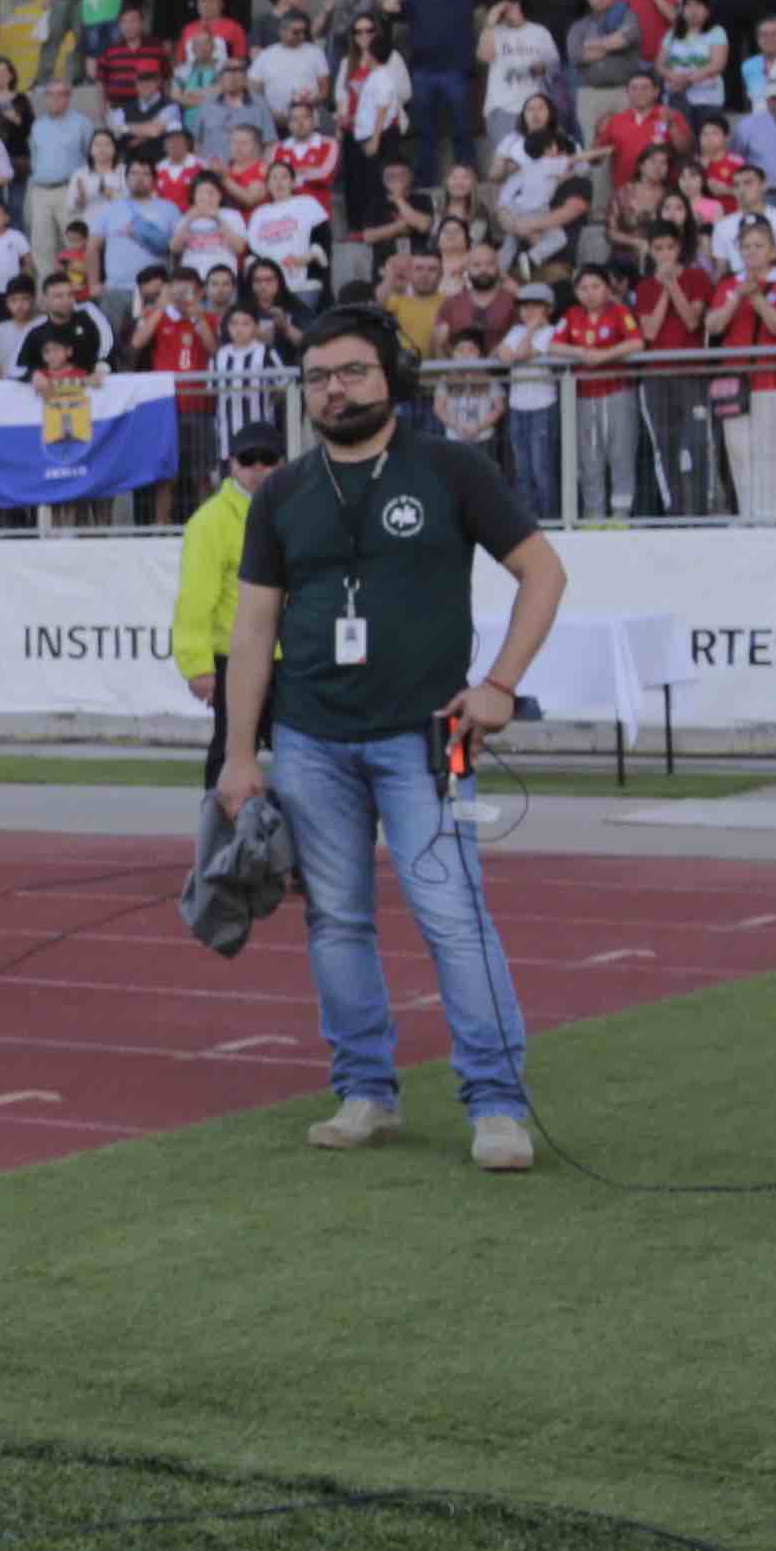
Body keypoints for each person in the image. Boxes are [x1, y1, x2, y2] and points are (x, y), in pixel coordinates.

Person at [212, 308, 563, 1172]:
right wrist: (239, 752)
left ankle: (498, 1106)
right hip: (309, 741)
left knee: (453, 914)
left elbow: (542, 573)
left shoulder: (450, 467)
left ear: (390, 377)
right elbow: (254, 631)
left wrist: (499, 687)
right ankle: (366, 1091)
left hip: (428, 740)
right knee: (336, 922)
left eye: (353, 371)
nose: (336, 388)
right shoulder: (285, 492)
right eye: (320, 376)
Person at [171, 429, 283, 780]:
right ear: (232, 464)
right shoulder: (210, 521)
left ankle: (300, 832)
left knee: (304, 760)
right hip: (234, 657)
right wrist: (198, 666)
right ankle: (218, 830)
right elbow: (195, 599)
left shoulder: (295, 511)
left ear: (282, 464)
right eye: (248, 460)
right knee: (230, 755)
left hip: (290, 659)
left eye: (267, 459)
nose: (258, 468)